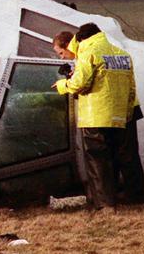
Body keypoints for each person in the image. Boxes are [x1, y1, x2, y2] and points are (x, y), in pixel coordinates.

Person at [52, 23, 139, 208]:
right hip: (121, 114)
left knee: (98, 161)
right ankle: (135, 198)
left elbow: (80, 84)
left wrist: (62, 86)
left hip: (95, 115)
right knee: (126, 157)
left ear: (79, 40)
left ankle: (104, 203)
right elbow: (132, 89)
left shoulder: (88, 53)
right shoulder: (122, 54)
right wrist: (128, 111)